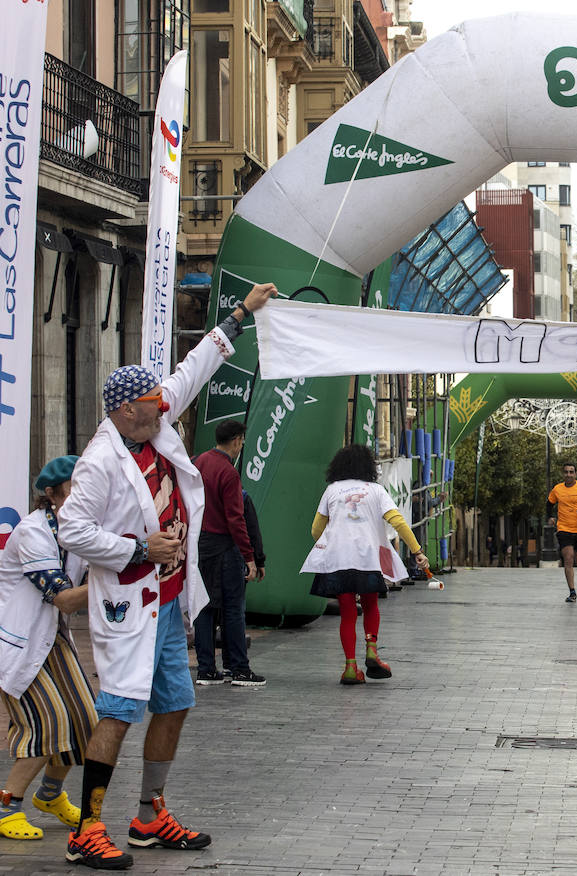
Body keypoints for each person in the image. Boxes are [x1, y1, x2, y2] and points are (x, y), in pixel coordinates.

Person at [57, 281, 278, 869]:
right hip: (129, 602)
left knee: (175, 702)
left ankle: (150, 815)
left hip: (170, 598)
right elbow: (71, 531)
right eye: (156, 402)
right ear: (125, 410)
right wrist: (136, 548)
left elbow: (194, 367)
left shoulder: (152, 421)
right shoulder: (101, 461)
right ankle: (87, 828)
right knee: (119, 708)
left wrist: (241, 313)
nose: (166, 406)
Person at [0, 456, 96, 841]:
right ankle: (6, 808)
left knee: (86, 719)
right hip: (15, 639)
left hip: (51, 637)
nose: (84, 495)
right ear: (51, 494)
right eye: (74, 488)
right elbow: (62, 598)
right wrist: (116, 580)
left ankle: (50, 795)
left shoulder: (77, 527)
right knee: (47, 723)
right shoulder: (33, 532)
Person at [301, 445, 430, 685]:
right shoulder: (376, 490)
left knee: (348, 612)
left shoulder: (331, 490)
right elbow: (398, 521)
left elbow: (316, 529)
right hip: (368, 558)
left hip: (339, 559)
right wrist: (417, 551)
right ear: (369, 467)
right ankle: (372, 650)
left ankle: (350, 667)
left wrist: (332, 540)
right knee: (370, 605)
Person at [191, 419, 264, 686]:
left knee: (205, 607)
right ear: (236, 440)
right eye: (242, 441)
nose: (241, 445)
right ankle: (238, 667)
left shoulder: (197, 462)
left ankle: (206, 668)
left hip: (200, 543)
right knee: (233, 608)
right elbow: (236, 518)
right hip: (223, 546)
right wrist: (250, 557)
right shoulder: (228, 472)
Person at [547, 463, 577, 603]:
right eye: (566, 472)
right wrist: (550, 516)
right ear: (563, 474)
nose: (568, 474)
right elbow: (549, 503)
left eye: (571, 472)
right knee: (568, 559)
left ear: (575, 474)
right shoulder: (557, 489)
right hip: (564, 528)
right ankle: (572, 592)